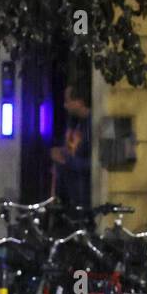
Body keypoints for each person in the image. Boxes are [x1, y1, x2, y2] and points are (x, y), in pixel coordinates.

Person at [51, 82, 92, 212]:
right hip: (71, 196)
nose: (65, 105)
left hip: (85, 197)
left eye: (68, 101)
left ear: (79, 101)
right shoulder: (75, 123)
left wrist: (66, 160)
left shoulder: (91, 126)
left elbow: (93, 164)